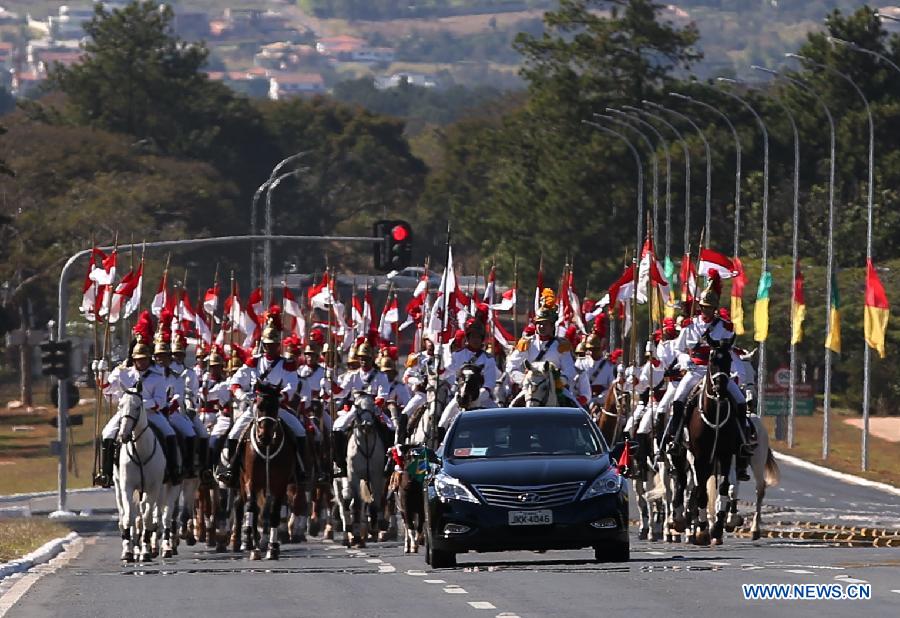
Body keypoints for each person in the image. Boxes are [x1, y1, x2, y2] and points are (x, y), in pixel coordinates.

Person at [664, 270, 753, 481]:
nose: (707, 311)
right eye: (704, 307)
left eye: (711, 308)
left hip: (717, 372)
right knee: (678, 400)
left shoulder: (724, 327)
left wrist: (735, 375)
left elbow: (730, 352)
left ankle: (742, 445)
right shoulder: (690, 326)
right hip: (695, 371)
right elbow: (679, 349)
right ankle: (674, 439)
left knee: (740, 402)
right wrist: (685, 361)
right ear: (700, 307)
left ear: (715, 308)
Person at [217, 306, 307, 485]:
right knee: (234, 433)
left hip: (277, 408)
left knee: (300, 431)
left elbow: (291, 384)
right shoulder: (254, 361)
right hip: (255, 407)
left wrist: (282, 396)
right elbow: (234, 382)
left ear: (278, 345)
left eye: (274, 345)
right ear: (263, 344)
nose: (270, 348)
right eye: (268, 344)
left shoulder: (286, 364)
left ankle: (302, 469)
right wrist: (241, 395)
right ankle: (230, 469)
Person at [96, 310, 181, 486]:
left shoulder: (158, 376)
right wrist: (101, 373)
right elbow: (107, 389)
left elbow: (160, 402)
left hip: (150, 414)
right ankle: (106, 473)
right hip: (126, 414)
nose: (141, 362)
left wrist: (139, 404)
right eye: (138, 359)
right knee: (106, 434)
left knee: (170, 433)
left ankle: (173, 471)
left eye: (144, 359)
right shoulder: (122, 373)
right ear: (133, 359)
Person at [506, 288, 577, 400]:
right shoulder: (526, 343)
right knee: (511, 407)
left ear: (552, 326)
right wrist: (524, 380)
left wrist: (559, 381)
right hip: (530, 388)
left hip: (556, 388)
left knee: (575, 405)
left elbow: (570, 370)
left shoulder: (561, 345)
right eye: (539, 324)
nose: (541, 327)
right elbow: (511, 367)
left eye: (545, 324)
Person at [575, 314, 614, 410]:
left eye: (595, 349)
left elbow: (611, 388)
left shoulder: (609, 366)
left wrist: (598, 400)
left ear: (601, 348)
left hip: (601, 404)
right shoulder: (580, 363)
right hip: (582, 402)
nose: (592, 352)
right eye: (590, 349)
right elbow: (575, 383)